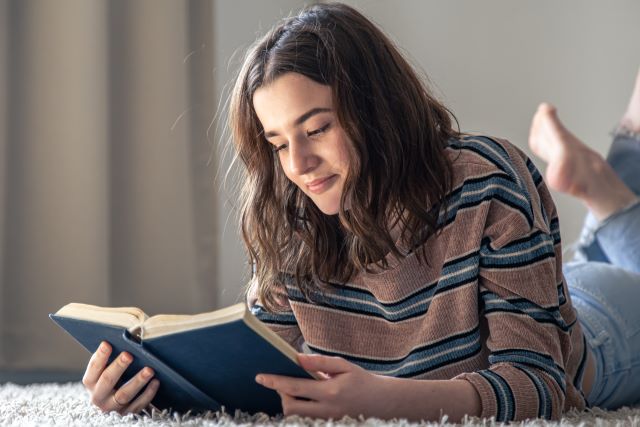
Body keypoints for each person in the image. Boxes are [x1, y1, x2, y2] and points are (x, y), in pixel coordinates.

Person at [80, 2, 640, 422]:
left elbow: (541, 383)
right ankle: (602, 191)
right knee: (584, 253)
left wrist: (386, 399)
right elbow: (256, 366)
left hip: (606, 334)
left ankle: (606, 191)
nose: (297, 163)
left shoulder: (484, 180)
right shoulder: (295, 212)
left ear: (376, 111)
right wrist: (151, 388)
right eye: (277, 142)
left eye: (317, 128)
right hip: (541, 282)